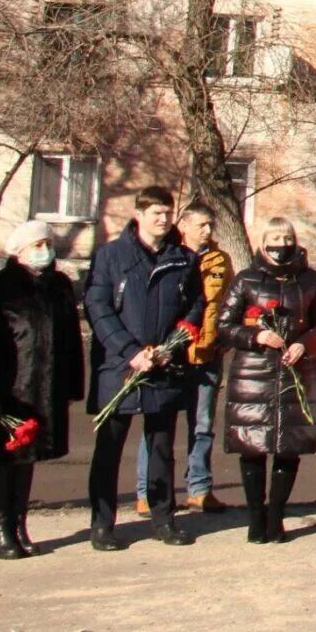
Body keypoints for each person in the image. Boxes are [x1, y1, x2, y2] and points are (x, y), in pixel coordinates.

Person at [84, 186, 207, 550]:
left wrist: (172, 346)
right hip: (120, 367)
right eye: (155, 212)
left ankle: (164, 519)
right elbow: (98, 308)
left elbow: (195, 307)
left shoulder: (183, 259)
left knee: (162, 447)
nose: (162, 219)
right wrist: (130, 352)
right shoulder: (111, 256)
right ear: (138, 214)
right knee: (109, 448)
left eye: (167, 212)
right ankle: (103, 524)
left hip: (165, 365)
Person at [215, 218, 316, 544]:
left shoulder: (310, 280)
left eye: (287, 237)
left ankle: (277, 515)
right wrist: (257, 335)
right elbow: (225, 324)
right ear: (263, 242)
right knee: (252, 445)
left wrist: (304, 343)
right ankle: (256, 516)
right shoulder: (246, 279)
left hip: (296, 372)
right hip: (254, 374)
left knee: (287, 446)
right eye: (275, 237)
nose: (282, 243)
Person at [0, 222, 83, 558]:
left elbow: (70, 340)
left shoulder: (59, 286)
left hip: (46, 386)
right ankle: (0, 528)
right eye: (37, 245)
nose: (44, 250)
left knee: (30, 457)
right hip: (8, 388)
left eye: (48, 243)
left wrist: (71, 386)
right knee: (4, 456)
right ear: (19, 250)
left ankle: (20, 524)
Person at [137, 202, 230, 517]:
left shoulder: (220, 260)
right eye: (201, 224)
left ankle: (199, 490)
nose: (208, 231)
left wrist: (223, 339)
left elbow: (230, 304)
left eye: (210, 225)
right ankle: (146, 493)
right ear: (185, 225)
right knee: (158, 424)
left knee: (202, 425)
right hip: (173, 355)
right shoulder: (169, 256)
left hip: (206, 354)